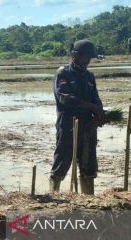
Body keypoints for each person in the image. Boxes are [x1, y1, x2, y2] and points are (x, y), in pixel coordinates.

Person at [50, 39, 105, 194]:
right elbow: (64, 97)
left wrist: (99, 111)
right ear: (75, 55)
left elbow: (95, 98)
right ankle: (53, 195)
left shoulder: (89, 76)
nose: (87, 61)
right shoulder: (63, 73)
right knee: (62, 161)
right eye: (84, 57)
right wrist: (90, 106)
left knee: (88, 166)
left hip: (88, 126)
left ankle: (89, 200)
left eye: (89, 58)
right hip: (68, 125)